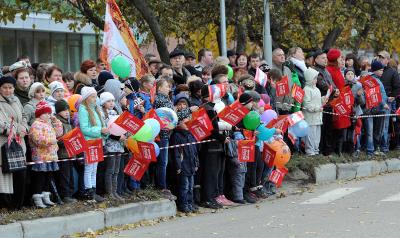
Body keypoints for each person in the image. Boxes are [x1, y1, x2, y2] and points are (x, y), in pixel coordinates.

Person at [199, 84, 230, 209]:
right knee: (210, 173)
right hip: (211, 145)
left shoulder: (209, 107)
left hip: (214, 145)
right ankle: (208, 198)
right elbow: (212, 130)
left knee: (214, 173)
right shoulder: (208, 109)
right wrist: (223, 138)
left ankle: (212, 197)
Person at [0, 76, 28, 210]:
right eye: (4, 87)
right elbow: (2, 124)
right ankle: (7, 205)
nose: (8, 90)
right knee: (6, 176)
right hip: (4, 144)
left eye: (10, 87)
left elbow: (23, 116)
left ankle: (18, 204)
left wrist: (25, 128)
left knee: (20, 174)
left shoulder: (16, 99)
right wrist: (16, 130)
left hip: (19, 143)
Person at [29, 101, 63, 208]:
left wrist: (56, 122)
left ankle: (46, 197)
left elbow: (59, 133)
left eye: (49, 113)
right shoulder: (36, 125)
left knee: (48, 177)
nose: (49, 115)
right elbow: (38, 139)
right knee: (40, 177)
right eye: (46, 113)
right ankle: (37, 198)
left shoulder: (48, 124)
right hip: (41, 156)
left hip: (51, 156)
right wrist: (52, 141)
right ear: (40, 114)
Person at [78, 86, 108, 202]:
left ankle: (93, 190)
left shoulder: (96, 109)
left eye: (96, 96)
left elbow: (101, 124)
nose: (95, 99)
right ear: (87, 98)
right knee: (89, 168)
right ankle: (88, 191)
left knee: (94, 168)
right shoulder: (83, 109)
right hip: (89, 142)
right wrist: (100, 131)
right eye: (93, 96)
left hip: (97, 142)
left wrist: (105, 131)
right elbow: (84, 129)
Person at [171, 94, 199, 213]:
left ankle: (190, 202)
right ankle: (183, 204)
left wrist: (196, 162)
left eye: (188, 120)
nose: (187, 123)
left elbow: (194, 151)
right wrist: (178, 166)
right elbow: (177, 153)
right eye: (184, 121)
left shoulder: (190, 134)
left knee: (190, 187)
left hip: (191, 165)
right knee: (184, 186)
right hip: (183, 166)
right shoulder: (177, 135)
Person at [100, 92, 126, 201]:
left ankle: (115, 192)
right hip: (110, 145)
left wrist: (124, 134)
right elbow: (108, 131)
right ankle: (109, 192)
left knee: (116, 170)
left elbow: (121, 127)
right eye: (108, 101)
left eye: (112, 101)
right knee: (110, 170)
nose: (111, 103)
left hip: (119, 146)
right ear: (103, 103)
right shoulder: (103, 114)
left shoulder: (116, 113)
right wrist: (118, 137)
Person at [153, 79, 176, 200]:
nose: (169, 89)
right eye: (167, 86)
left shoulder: (166, 99)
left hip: (166, 134)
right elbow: (167, 117)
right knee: (162, 162)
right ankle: (161, 187)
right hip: (162, 135)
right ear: (160, 88)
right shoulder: (160, 100)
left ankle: (162, 186)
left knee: (163, 162)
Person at [312, 49, 338, 156]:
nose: (325, 60)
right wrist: (333, 90)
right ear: (316, 59)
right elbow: (323, 84)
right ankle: (321, 150)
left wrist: (336, 90)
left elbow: (332, 83)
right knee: (321, 129)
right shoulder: (314, 71)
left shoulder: (326, 71)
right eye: (323, 58)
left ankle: (327, 150)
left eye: (326, 58)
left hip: (329, 103)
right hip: (321, 103)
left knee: (328, 129)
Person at [363, 61, 389, 158]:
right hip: (374, 109)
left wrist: (387, 98)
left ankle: (374, 149)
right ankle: (370, 150)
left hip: (380, 109)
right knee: (371, 131)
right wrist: (384, 103)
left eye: (383, 70)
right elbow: (376, 93)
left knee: (378, 131)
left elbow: (382, 93)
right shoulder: (372, 80)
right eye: (381, 70)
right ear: (375, 70)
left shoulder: (378, 79)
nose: (382, 71)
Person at [376, 51, 400, 153]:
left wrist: (393, 96)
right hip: (375, 101)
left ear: (387, 59)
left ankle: (384, 147)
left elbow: (397, 86)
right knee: (376, 125)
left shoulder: (393, 72)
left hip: (387, 101)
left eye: (382, 57)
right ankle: (376, 146)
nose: (380, 59)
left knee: (385, 126)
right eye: (379, 57)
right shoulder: (374, 70)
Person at [54, 100, 77, 204]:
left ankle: (70, 194)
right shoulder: (58, 123)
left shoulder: (67, 122)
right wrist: (67, 142)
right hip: (62, 154)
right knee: (64, 176)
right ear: (58, 111)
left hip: (69, 153)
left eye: (67, 109)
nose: (67, 112)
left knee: (70, 175)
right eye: (64, 110)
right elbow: (57, 140)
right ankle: (65, 195)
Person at [302, 68, 323, 156]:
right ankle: (310, 152)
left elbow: (318, 101)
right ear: (310, 78)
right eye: (314, 78)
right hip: (310, 118)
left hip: (318, 117)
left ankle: (316, 150)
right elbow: (307, 105)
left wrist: (323, 99)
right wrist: (317, 108)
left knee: (317, 136)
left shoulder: (317, 89)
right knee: (310, 136)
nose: (316, 80)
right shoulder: (306, 89)